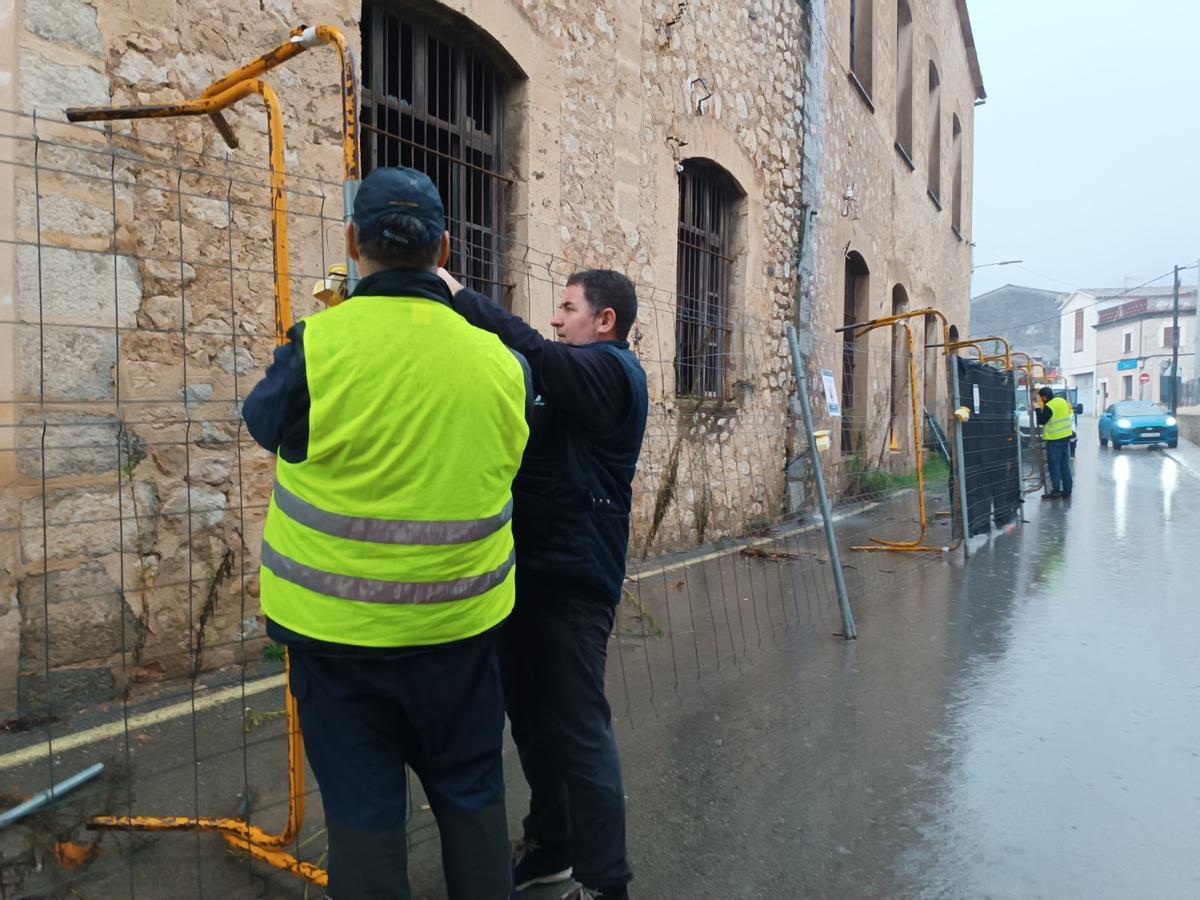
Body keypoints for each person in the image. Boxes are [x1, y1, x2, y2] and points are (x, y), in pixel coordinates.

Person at [242, 166, 530, 900]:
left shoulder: (316, 347)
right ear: (442, 251)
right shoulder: (503, 364)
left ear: (351, 243)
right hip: (460, 637)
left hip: (336, 642)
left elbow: (265, 427)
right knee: (471, 794)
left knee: (364, 814)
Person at [437, 266, 648, 900]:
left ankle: (605, 882)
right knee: (532, 721)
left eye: (567, 307)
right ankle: (551, 847)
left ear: (603, 320)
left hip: (574, 580)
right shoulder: (573, 378)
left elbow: (533, 351)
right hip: (528, 573)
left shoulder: (613, 372)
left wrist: (459, 298)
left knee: (580, 729)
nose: (556, 319)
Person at [1037, 386, 1074, 499]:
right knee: (1064, 466)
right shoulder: (1062, 401)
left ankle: (1056, 491)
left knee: (1055, 466)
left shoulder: (1049, 406)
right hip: (1065, 438)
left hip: (1054, 440)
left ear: (1044, 397)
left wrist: (1037, 409)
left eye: (1041, 398)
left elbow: (1041, 421)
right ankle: (1067, 491)